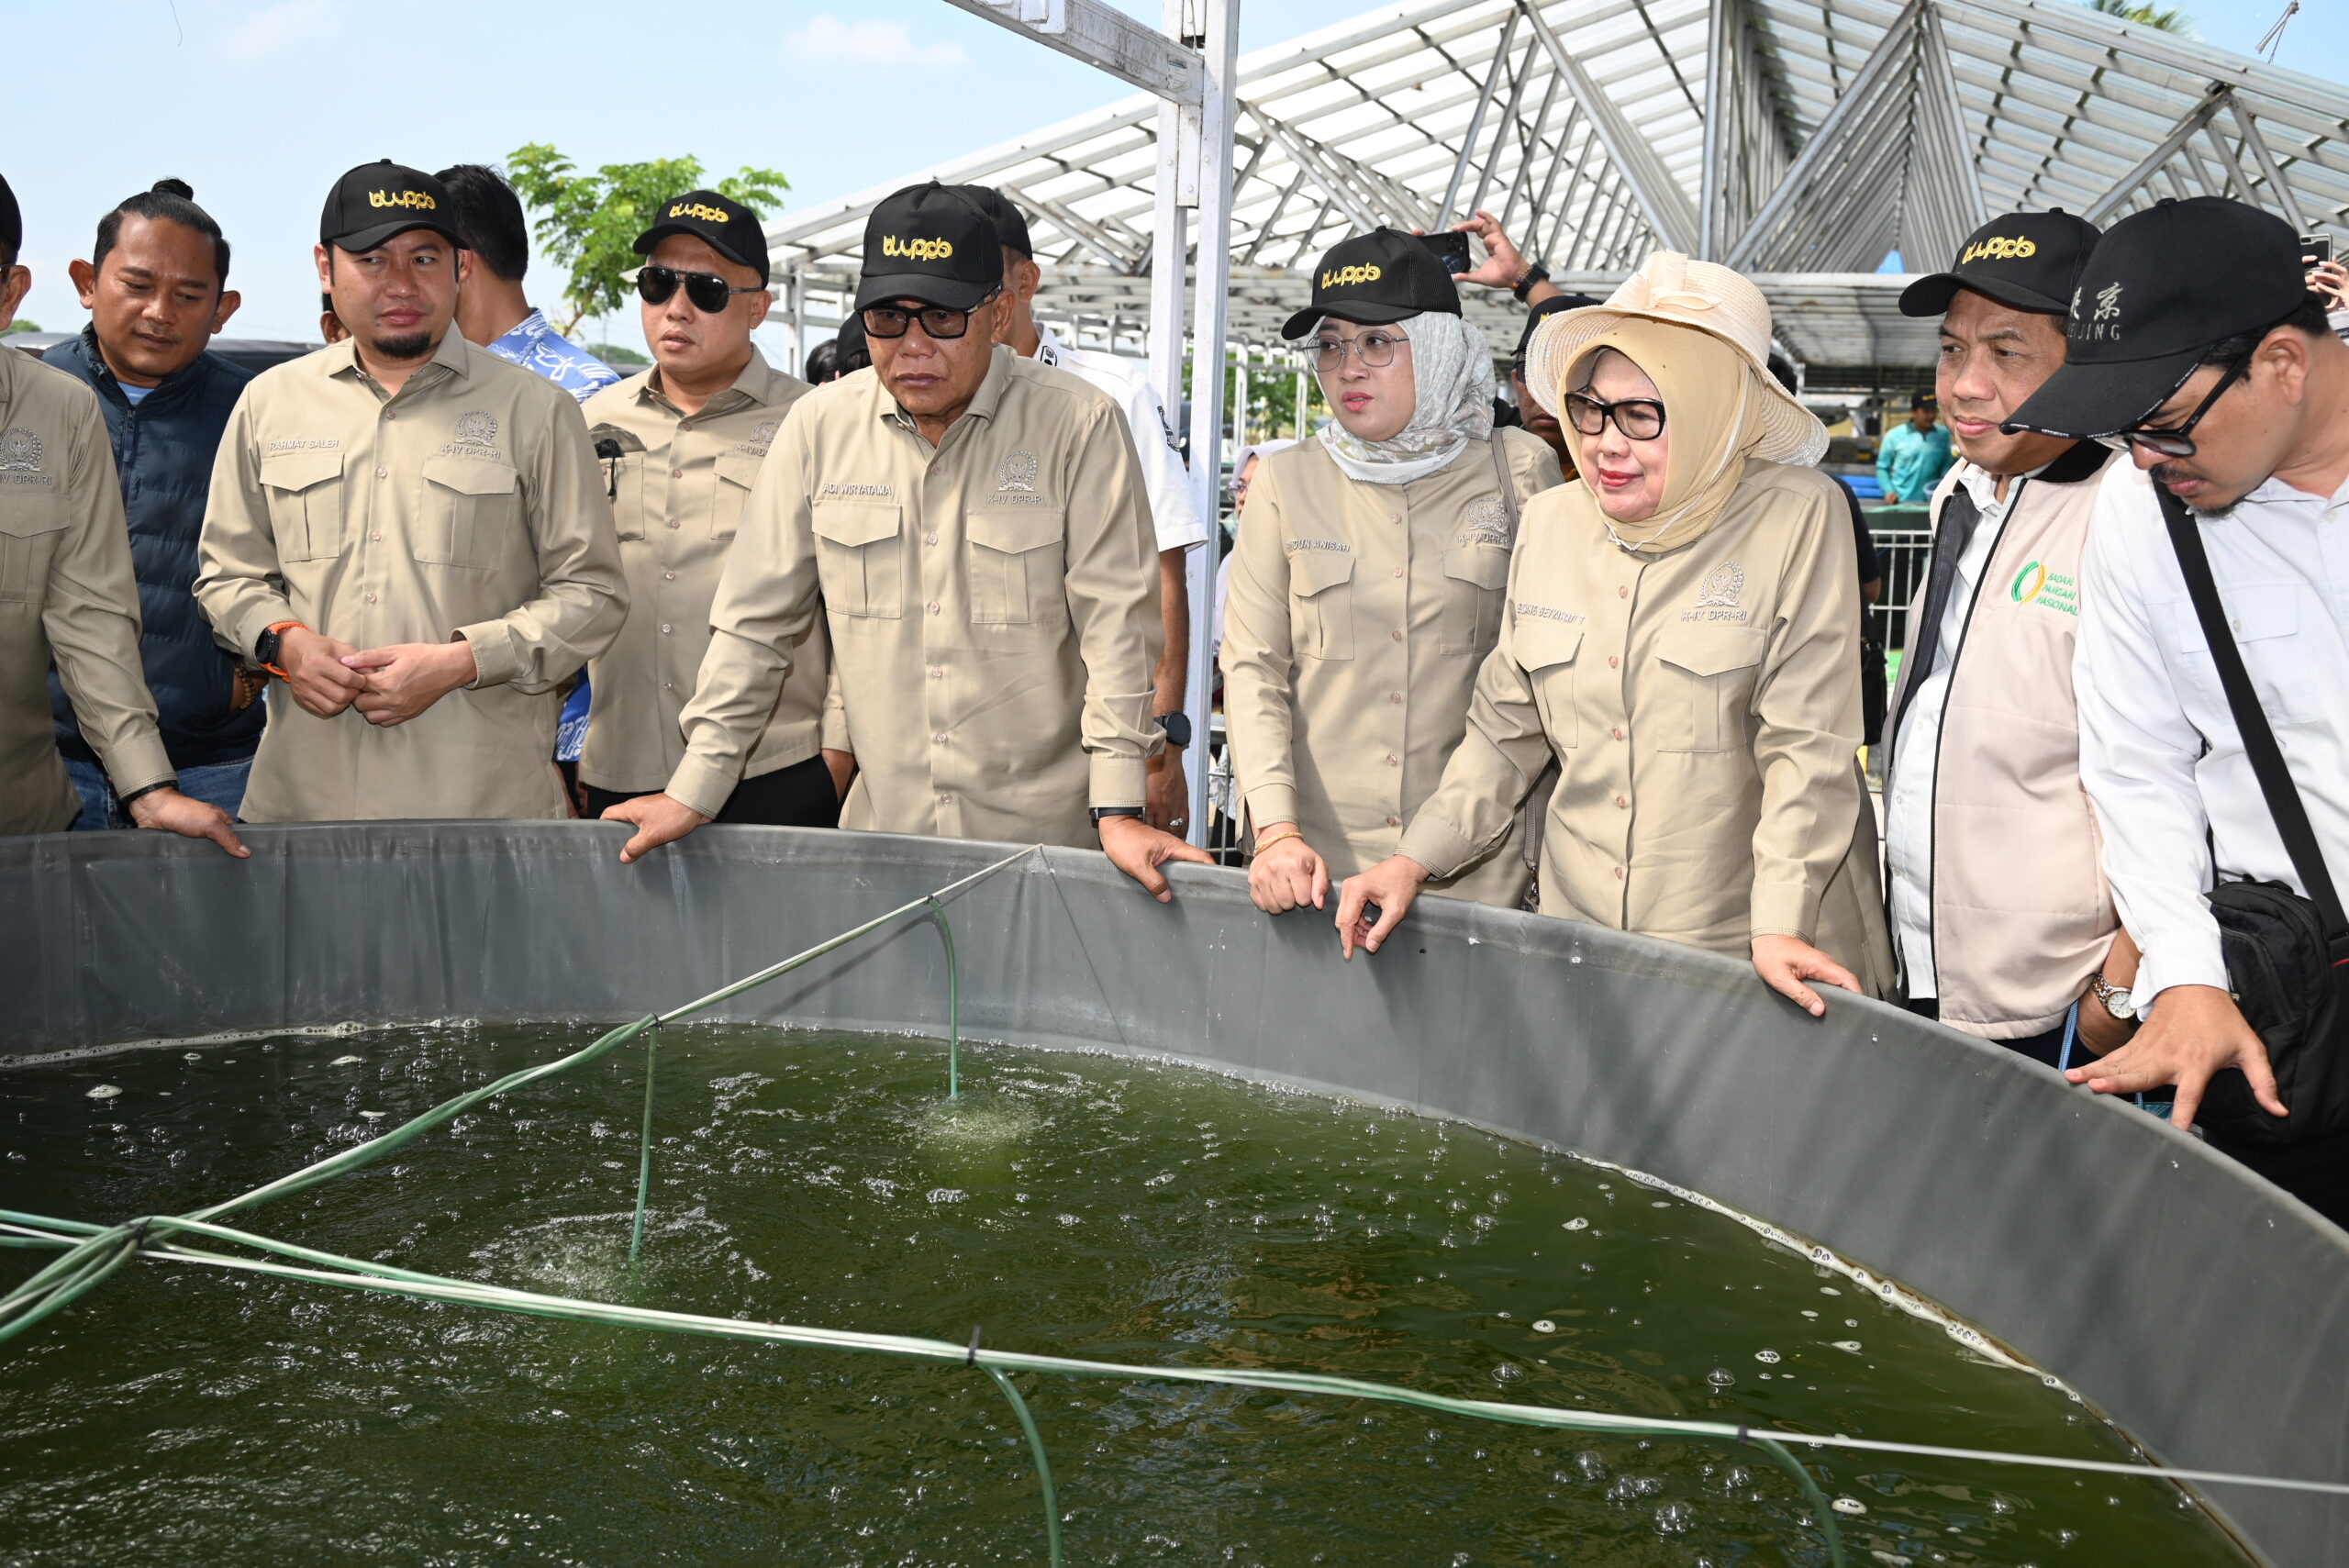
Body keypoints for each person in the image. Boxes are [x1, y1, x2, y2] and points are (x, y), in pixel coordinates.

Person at [601, 182, 1208, 900]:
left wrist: (1118, 809)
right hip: (884, 856)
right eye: (888, 318)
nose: (913, 346)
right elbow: (754, 627)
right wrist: (695, 788)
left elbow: (1118, 635)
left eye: (942, 318)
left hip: (1048, 854)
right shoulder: (820, 428)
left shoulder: (1080, 426)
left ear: (999, 311)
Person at [1336, 252, 1895, 1014]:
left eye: (1642, 413)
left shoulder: (1798, 516)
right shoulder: (1552, 522)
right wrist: (1413, 858)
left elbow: (1810, 746)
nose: (1604, 441)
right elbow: (1505, 732)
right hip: (1592, 953)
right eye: (1590, 408)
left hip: (1754, 953)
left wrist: (1779, 921)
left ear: (1711, 408)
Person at [2005, 195, 2349, 1217]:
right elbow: (2135, 757)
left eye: (2159, 424)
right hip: (2302, 1006)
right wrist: (2187, 972)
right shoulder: (2139, 511)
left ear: (2283, 364)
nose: (2144, 458)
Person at [195, 160, 626, 821]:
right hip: (303, 807)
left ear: (460, 268)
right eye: (372, 259)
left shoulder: (536, 410)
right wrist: (283, 641)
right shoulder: (270, 403)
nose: (401, 283)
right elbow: (225, 574)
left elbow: (594, 595)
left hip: (483, 810)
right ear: (324, 267)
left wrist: (463, 661)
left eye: (424, 258)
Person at [1219, 229, 1562, 916]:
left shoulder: (1519, 471)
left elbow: (1535, 682)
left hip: (1475, 877)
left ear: (1437, 349)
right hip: (1314, 873)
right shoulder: (1287, 483)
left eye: (1378, 342)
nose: (1348, 367)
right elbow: (1254, 668)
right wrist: (1278, 831)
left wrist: (1533, 282)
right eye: (1331, 344)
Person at [1880, 208, 2139, 1066]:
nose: (1965, 384)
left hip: (2053, 1006)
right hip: (1924, 969)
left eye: (2007, 351)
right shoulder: (1962, 492)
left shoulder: (2128, 514)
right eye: (1953, 349)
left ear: (2088, 356)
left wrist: (2114, 995)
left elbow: (2186, 780)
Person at [577, 190, 848, 827]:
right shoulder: (589, 423)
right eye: (657, 283)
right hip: (625, 764)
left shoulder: (814, 423)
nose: (676, 308)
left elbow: (854, 600)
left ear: (759, 308)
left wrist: (836, 753)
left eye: (707, 291)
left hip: (775, 767)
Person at [0, 172, 243, 853]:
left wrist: (254, 670)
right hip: (55, 754)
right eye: (137, 285)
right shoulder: (55, 390)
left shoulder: (256, 412)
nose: (159, 312)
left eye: (188, 295)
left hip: (204, 762)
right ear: (86, 281)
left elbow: (88, 612)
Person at [969, 185, 1212, 836]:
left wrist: (1162, 753)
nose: (966, 300)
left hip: (1090, 759)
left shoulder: (1110, 393)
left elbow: (1164, 574)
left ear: (1026, 281)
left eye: (983, 279)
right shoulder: (924, 396)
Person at [438, 163, 621, 801]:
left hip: (555, 752)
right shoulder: (433, 390)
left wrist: (572, 754)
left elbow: (606, 589)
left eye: (421, 257)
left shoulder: (588, 399)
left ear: (459, 265)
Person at [436, 164, 619, 404]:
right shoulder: (424, 378)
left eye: (422, 259)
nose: (403, 284)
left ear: (460, 263)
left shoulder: (585, 393)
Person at [1876, 392, 1954, 503]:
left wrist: (1946, 480)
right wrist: (1889, 491)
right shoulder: (1894, 436)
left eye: (1934, 410)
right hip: (1901, 501)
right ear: (1913, 412)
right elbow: (1882, 468)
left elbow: (1947, 462)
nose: (1931, 416)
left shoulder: (1943, 434)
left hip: (1932, 501)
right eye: (1926, 411)